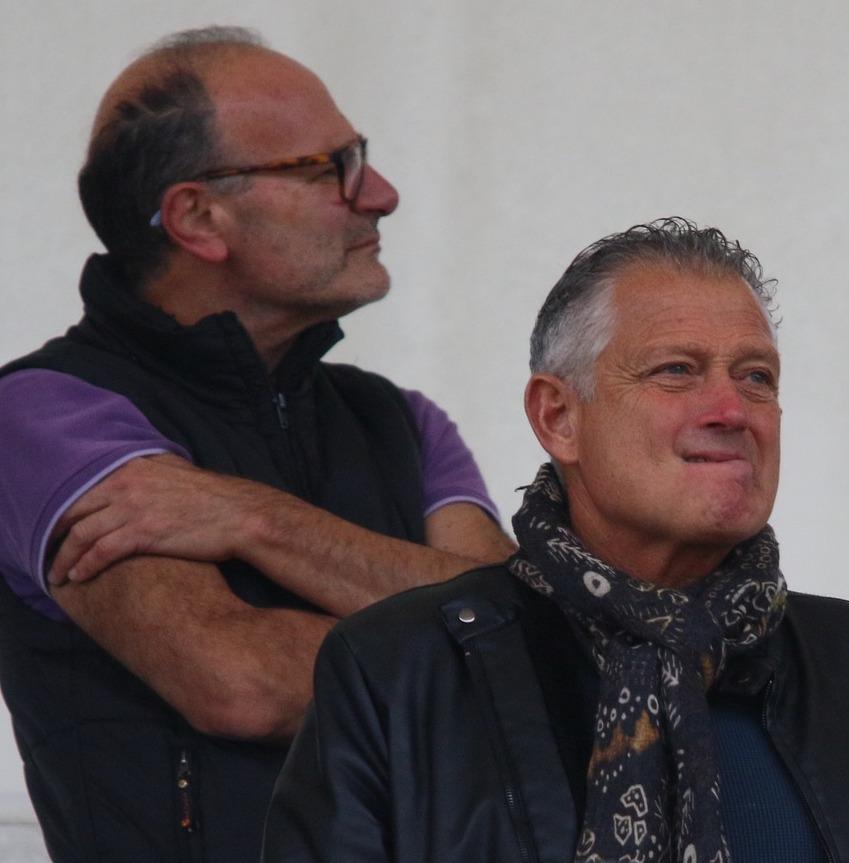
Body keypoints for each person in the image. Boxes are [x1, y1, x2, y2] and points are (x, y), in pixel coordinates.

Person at [261, 217, 849, 863]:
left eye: (756, 377)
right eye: (676, 370)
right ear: (558, 417)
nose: (731, 410)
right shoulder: (397, 672)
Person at [0, 26, 515, 863]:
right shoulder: (42, 413)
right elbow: (239, 682)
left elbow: (529, 635)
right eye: (330, 167)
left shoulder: (402, 420)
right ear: (199, 217)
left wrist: (254, 519)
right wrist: (468, 654)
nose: (381, 194)